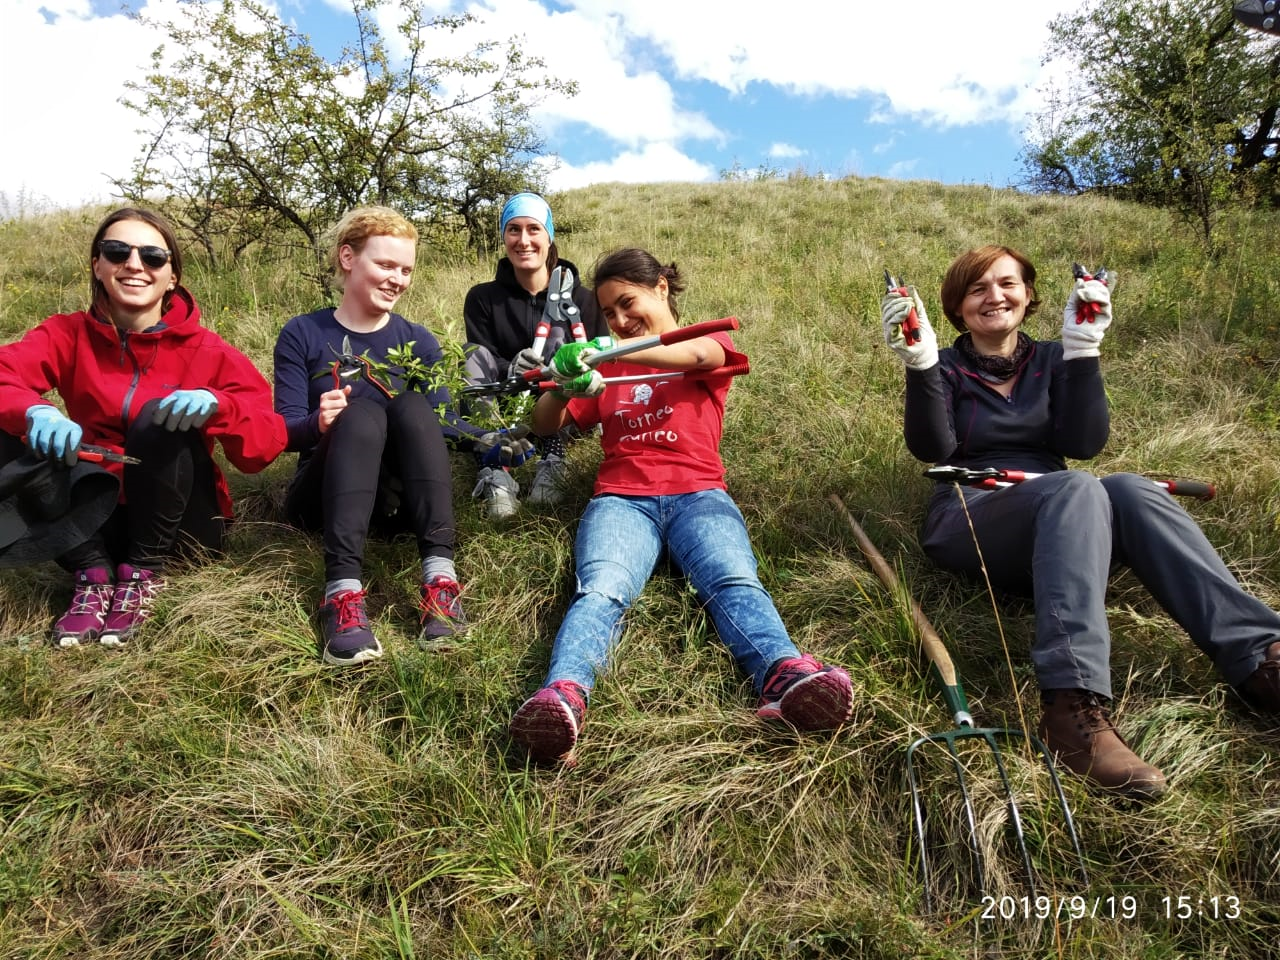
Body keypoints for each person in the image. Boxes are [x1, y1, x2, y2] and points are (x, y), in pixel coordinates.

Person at [881, 243, 1280, 801]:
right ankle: (1071, 708)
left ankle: (1261, 659)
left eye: (1007, 283)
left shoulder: (1054, 357)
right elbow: (934, 450)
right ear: (955, 307)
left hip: (1069, 521)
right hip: (972, 518)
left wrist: (1083, 351)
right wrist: (922, 364)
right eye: (977, 288)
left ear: (1029, 295)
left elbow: (1083, 443)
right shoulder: (944, 366)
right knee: (1076, 487)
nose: (994, 296)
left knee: (1128, 489)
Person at [509, 247, 854, 763]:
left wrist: (613, 351)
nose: (620, 320)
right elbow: (544, 425)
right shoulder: (606, 363)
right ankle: (562, 696)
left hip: (699, 493)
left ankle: (785, 675)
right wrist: (563, 385)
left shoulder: (703, 341)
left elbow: (701, 358)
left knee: (732, 580)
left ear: (661, 288)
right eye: (609, 312)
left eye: (628, 303)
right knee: (601, 590)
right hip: (621, 500)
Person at [0, 206, 286, 647]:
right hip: (92, 518)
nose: (134, 264)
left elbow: (263, 449)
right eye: (118, 252)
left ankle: (143, 575)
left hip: (181, 528)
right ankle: (92, 575)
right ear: (97, 265)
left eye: (152, 256)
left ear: (172, 276)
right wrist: (35, 411)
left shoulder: (209, 350)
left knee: (157, 416)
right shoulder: (66, 334)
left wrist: (220, 406)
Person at [273, 206, 498, 666]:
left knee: (413, 406)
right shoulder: (303, 333)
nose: (398, 279)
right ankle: (341, 595)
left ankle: (441, 582)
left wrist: (490, 439)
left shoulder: (419, 340)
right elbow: (284, 430)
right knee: (359, 415)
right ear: (348, 257)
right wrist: (318, 422)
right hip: (321, 500)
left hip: (397, 505)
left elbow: (442, 422)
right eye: (386, 265)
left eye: (406, 270)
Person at [462, 192, 607, 518]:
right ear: (503, 236)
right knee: (470, 353)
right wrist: (511, 367)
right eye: (513, 229)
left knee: (562, 343)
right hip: (504, 407)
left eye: (533, 229)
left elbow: (601, 359)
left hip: (564, 410)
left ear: (549, 236)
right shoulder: (482, 298)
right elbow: (483, 356)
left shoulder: (585, 299)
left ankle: (554, 454)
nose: (523, 240)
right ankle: (493, 465)